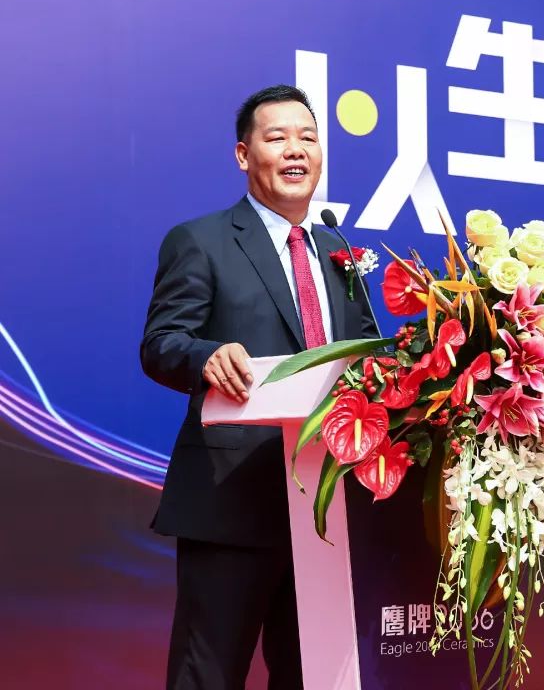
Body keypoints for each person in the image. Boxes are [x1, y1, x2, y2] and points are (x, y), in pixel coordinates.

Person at [141, 85, 378, 689]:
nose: (297, 150)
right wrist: (206, 355)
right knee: (208, 674)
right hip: (232, 500)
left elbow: (365, 356)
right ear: (244, 155)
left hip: (326, 505)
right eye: (278, 138)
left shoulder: (338, 250)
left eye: (308, 138)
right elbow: (162, 342)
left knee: (311, 675)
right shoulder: (203, 240)